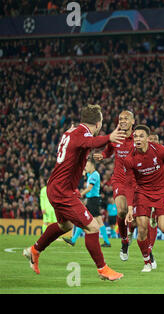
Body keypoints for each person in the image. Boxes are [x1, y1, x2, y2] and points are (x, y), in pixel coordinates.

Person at [23, 104, 126, 281]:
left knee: (66, 226)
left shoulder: (72, 132)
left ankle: (34, 251)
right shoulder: (82, 134)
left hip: (57, 187)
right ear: (98, 123)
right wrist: (109, 137)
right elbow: (90, 142)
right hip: (62, 191)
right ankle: (103, 269)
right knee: (93, 227)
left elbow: (84, 143)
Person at [123, 125, 164, 272]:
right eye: (135, 136)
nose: (138, 139)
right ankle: (147, 261)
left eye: (141, 136)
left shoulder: (161, 151)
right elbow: (128, 185)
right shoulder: (130, 158)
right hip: (143, 193)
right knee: (142, 229)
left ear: (147, 138)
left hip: (161, 191)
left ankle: (155, 216)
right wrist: (129, 207)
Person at [93, 110, 135, 261]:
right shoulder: (115, 137)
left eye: (126, 118)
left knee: (136, 219)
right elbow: (108, 151)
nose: (122, 120)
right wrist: (102, 155)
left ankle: (146, 249)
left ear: (132, 121)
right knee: (122, 211)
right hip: (119, 179)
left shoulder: (137, 138)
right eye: (120, 118)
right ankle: (124, 242)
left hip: (136, 181)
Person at [62, 159, 111, 247]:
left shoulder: (95, 175)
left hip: (93, 200)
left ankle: (106, 242)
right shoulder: (90, 174)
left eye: (87, 165)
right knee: (84, 220)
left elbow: (89, 188)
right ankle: (73, 240)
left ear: (92, 166)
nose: (86, 167)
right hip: (91, 200)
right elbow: (83, 173)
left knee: (95, 221)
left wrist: (80, 194)